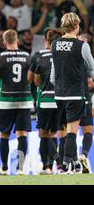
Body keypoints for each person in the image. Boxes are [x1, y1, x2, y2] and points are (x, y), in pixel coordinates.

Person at [51, 13, 94, 174]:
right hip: (76, 94)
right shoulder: (82, 45)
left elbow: (53, 75)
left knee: (64, 130)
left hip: (59, 94)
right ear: (76, 26)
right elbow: (91, 67)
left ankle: (70, 164)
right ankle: (66, 164)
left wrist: (60, 86)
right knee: (72, 131)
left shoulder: (54, 44)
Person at [0, 29, 33, 175]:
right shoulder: (27, 56)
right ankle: (21, 168)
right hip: (24, 100)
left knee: (4, 134)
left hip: (6, 101)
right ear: (17, 40)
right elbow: (30, 77)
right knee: (22, 134)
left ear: (4, 42)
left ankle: (4, 167)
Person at [29, 28, 64, 175]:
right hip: (60, 99)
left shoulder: (38, 56)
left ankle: (50, 166)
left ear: (46, 41)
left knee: (44, 134)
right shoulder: (62, 56)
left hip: (44, 100)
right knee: (54, 133)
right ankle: (54, 165)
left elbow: (34, 81)